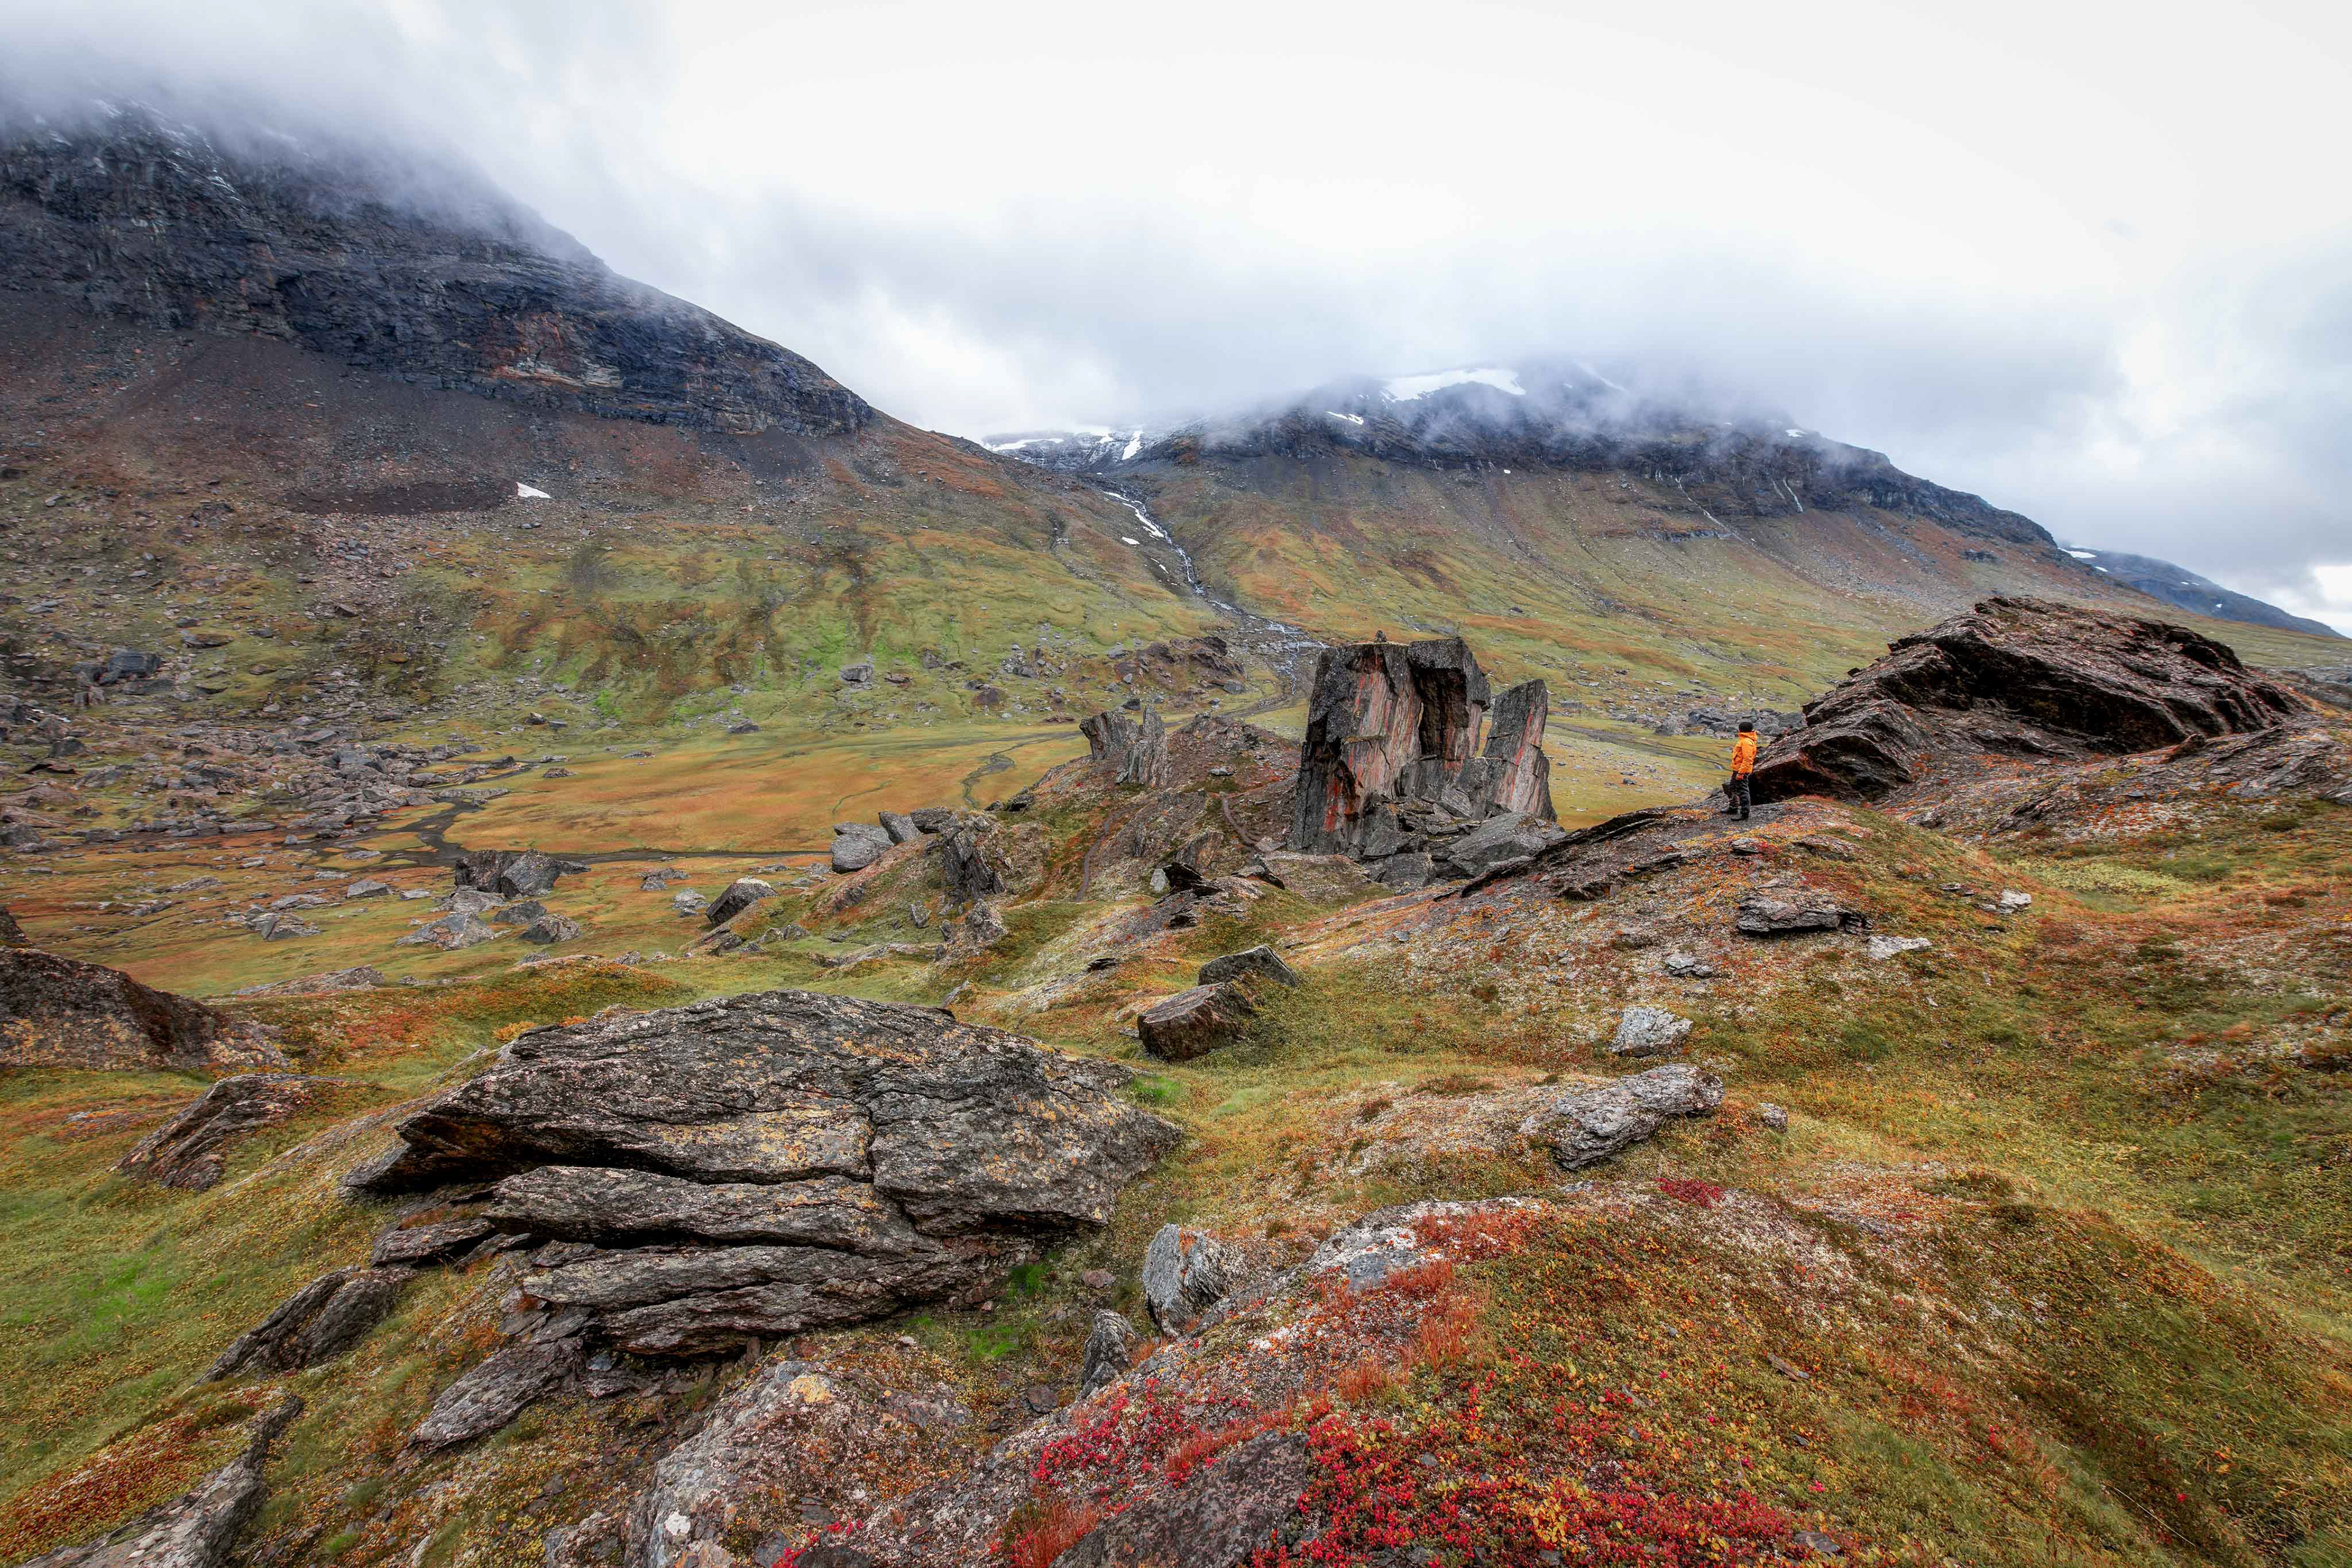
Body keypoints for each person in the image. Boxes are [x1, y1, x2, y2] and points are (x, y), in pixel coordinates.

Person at [1725, 720, 1758, 820]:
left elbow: (1748, 759)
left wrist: (1741, 773)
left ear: (1740, 730)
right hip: (1737, 769)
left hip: (1741, 770)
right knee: (1733, 788)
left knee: (1743, 791)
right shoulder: (1745, 740)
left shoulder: (1746, 742)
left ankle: (1745, 814)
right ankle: (1733, 808)